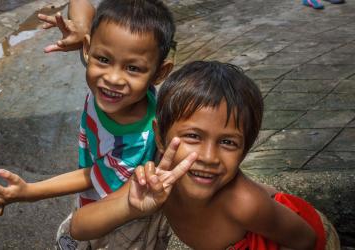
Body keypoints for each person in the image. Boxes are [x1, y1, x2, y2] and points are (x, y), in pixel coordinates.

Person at [70, 61, 340, 250]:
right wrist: (129, 207)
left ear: (245, 148)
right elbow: (79, 227)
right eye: (193, 137)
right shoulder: (156, 181)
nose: (209, 156)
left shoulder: (244, 204)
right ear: (160, 136)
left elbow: (308, 240)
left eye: (228, 142)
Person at [0, 0, 175, 249]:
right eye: (103, 59)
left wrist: (30, 192)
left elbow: (90, 177)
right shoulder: (110, 79)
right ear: (88, 50)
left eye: (132, 68)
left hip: (124, 216)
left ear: (158, 74)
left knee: (96, 235)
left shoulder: (137, 140)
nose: (113, 78)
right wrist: (81, 27)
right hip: (99, 184)